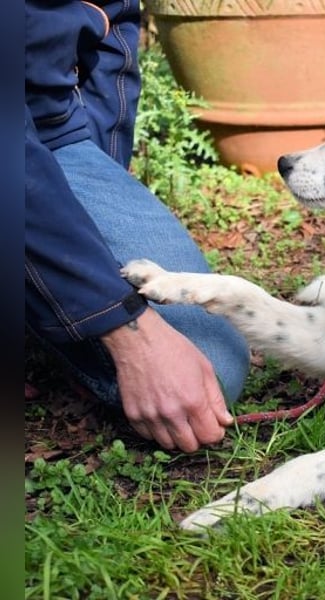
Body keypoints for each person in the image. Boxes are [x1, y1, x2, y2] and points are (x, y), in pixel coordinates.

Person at [25, 0, 251, 452]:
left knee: (213, 360)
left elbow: (114, 17)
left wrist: (95, 179)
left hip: (45, 122)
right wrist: (129, 334)